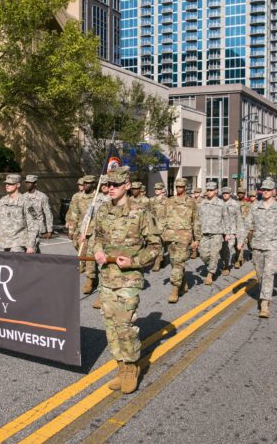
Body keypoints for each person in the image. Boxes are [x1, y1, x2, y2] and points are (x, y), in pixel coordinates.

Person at [93, 167, 160, 394]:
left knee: (125, 325)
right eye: (108, 185)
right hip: (107, 277)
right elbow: (98, 237)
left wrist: (133, 261)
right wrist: (98, 251)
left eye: (115, 185)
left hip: (128, 278)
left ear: (127, 186)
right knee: (110, 326)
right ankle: (120, 367)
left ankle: (131, 367)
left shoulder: (141, 212)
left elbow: (155, 247)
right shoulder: (102, 210)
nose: (110, 188)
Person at [239, 179, 277, 318]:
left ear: (274, 191)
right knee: (260, 274)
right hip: (257, 246)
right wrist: (240, 241)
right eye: (264, 190)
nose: (265, 192)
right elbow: (246, 225)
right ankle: (265, 293)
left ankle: (264, 303)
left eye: (268, 190)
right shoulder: (255, 207)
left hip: (273, 247)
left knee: (268, 274)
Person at [161, 177, 201, 303]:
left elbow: (196, 221)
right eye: (177, 187)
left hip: (185, 237)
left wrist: (197, 239)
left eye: (181, 187)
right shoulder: (168, 201)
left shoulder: (191, 202)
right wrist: (161, 234)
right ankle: (183, 281)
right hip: (170, 237)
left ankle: (174, 290)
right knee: (174, 262)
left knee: (178, 262)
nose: (178, 189)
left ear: (185, 188)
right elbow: (162, 218)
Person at [0, 174, 38, 253]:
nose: (7, 185)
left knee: (15, 262)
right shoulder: (2, 201)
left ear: (18, 185)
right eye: (6, 183)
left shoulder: (26, 201)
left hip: (20, 243)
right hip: (6, 242)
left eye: (11, 184)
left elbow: (34, 223)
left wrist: (31, 245)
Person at [80, 175, 110, 309]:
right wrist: (82, 232)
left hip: (107, 236)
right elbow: (88, 215)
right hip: (93, 234)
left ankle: (101, 293)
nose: (104, 187)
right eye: (102, 184)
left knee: (102, 263)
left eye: (107, 184)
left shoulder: (114, 199)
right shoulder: (96, 198)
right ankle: (90, 280)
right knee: (90, 260)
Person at [68, 175, 97, 288]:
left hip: (95, 231)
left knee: (90, 254)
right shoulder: (78, 197)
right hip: (82, 230)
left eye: (89, 183)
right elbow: (74, 214)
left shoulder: (97, 197)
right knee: (81, 252)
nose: (86, 185)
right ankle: (92, 274)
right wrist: (71, 230)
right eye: (84, 183)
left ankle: (90, 279)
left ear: (94, 184)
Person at [197, 182, 228, 285]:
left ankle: (210, 274)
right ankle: (211, 266)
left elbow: (226, 219)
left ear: (216, 191)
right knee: (203, 254)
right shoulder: (202, 204)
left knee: (214, 254)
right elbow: (198, 219)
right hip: (204, 232)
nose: (209, 192)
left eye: (211, 190)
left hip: (217, 233)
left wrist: (228, 233)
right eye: (208, 190)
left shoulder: (221, 204)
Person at [23, 174, 54, 253]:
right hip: (25, 227)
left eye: (30, 182)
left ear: (35, 184)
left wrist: (49, 230)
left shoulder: (42, 197)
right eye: (26, 182)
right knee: (29, 248)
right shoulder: (23, 196)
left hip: (37, 227)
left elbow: (48, 213)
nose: (27, 184)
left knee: (32, 248)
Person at [220, 186, 241, 275]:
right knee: (221, 250)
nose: (225, 195)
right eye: (223, 193)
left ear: (230, 194)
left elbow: (239, 218)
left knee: (228, 248)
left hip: (232, 230)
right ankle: (225, 261)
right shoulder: (219, 203)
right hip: (220, 230)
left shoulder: (235, 204)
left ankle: (227, 266)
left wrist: (238, 232)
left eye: (227, 193)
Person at [150, 182, 168, 272]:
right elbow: (150, 213)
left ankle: (157, 261)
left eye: (158, 189)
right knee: (155, 243)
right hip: (154, 224)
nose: (156, 190)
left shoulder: (166, 201)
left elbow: (168, 214)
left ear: (162, 190)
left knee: (160, 243)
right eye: (155, 189)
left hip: (163, 225)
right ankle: (160, 259)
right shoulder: (152, 200)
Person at [235, 186, 252, 267]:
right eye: (239, 193)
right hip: (236, 226)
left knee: (245, 243)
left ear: (244, 194)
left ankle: (239, 259)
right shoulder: (234, 203)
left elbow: (251, 216)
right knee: (237, 244)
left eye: (242, 193)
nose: (240, 194)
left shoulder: (248, 204)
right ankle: (239, 259)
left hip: (245, 226)